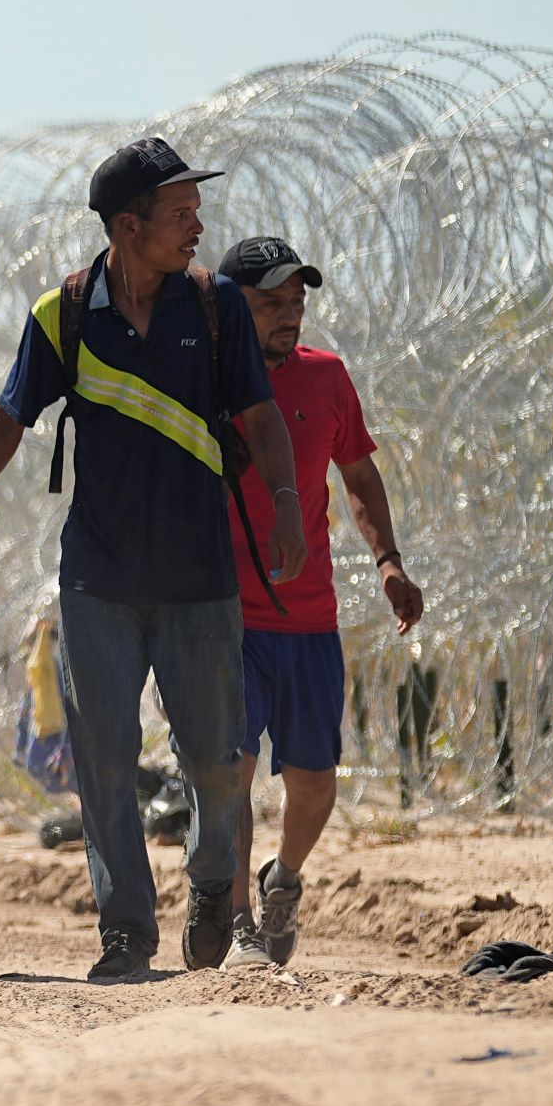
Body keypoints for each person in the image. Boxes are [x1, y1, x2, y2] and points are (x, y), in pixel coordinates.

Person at [0, 138, 307, 981]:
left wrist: (286, 504)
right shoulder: (64, 314)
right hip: (97, 579)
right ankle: (125, 931)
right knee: (104, 760)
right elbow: (5, 423)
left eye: (195, 211)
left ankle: (211, 881)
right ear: (127, 225)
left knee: (214, 760)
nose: (197, 227)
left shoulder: (213, 306)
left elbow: (259, 417)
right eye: (180, 213)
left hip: (198, 579)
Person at [213, 238, 425, 969]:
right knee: (231, 773)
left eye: (296, 301)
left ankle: (283, 880)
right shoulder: (203, 380)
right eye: (270, 302)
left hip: (307, 618)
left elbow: (359, 477)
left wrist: (389, 563)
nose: (289, 314)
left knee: (313, 785)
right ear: (230, 307)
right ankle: (237, 921)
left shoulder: (326, 376)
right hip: (225, 617)